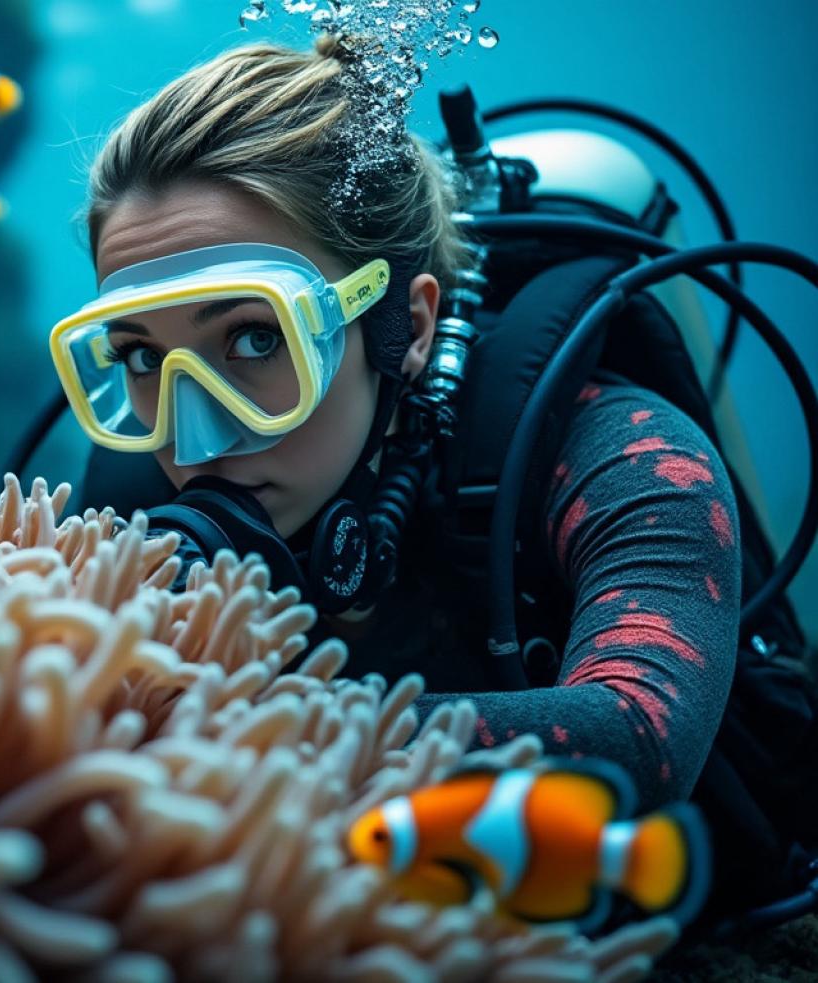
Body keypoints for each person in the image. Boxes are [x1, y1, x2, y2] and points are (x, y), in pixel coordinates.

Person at [45, 34, 800, 933]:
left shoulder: (617, 451)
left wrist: (221, 728)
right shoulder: (127, 504)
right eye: (139, 355)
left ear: (404, 323)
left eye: (254, 338)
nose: (192, 433)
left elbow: (633, 732)